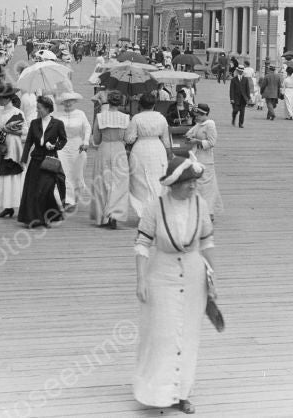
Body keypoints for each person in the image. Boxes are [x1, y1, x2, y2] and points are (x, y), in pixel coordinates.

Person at [133, 156, 216, 415]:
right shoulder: (155, 207)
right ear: (173, 183)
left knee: (188, 336)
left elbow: (207, 243)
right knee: (162, 335)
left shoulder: (201, 205)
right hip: (162, 275)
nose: (194, 187)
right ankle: (157, 393)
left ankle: (182, 394)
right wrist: (142, 279)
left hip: (193, 277)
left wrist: (212, 279)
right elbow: (142, 244)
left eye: (195, 182)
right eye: (188, 182)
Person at [18, 95, 68, 228]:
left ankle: (48, 217)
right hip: (36, 160)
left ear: (47, 109)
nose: (37, 110)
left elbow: (63, 140)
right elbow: (28, 142)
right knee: (33, 190)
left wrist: (55, 146)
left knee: (46, 189)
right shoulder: (34, 123)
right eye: (37, 107)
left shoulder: (58, 124)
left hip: (50, 160)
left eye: (39, 108)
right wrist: (23, 159)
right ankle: (34, 219)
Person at [125, 93, 172, 222]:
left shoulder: (136, 118)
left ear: (140, 104)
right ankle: (157, 210)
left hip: (141, 148)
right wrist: (169, 154)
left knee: (140, 181)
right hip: (158, 148)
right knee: (158, 179)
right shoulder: (161, 118)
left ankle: (143, 211)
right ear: (154, 105)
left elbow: (129, 139)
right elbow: (166, 139)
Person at [89, 90, 131, 229]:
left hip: (104, 148)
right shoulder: (125, 118)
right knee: (119, 183)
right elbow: (127, 138)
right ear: (120, 103)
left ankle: (102, 216)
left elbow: (96, 139)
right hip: (119, 149)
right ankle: (115, 213)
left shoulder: (100, 117)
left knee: (102, 182)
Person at [0, 80, 26, 219]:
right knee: (3, 177)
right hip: (3, 147)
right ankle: (7, 206)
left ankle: (19, 203)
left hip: (13, 149)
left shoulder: (18, 113)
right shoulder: (0, 113)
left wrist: (8, 130)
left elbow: (24, 131)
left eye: (0, 98)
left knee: (14, 176)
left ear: (8, 98)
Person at [184, 103, 223, 218]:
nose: (196, 117)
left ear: (204, 114)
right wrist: (189, 138)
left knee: (207, 186)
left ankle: (209, 211)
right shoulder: (198, 124)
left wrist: (197, 142)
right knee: (197, 184)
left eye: (198, 115)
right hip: (196, 156)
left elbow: (212, 142)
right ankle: (198, 210)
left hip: (206, 158)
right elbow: (189, 133)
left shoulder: (209, 125)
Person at [56, 91, 91, 213]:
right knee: (63, 172)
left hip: (77, 146)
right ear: (62, 102)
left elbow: (87, 128)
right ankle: (66, 200)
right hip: (62, 147)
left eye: (70, 100)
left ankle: (75, 198)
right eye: (66, 101)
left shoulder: (80, 114)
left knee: (77, 173)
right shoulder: (57, 114)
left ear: (75, 101)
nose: (68, 103)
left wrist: (86, 141)